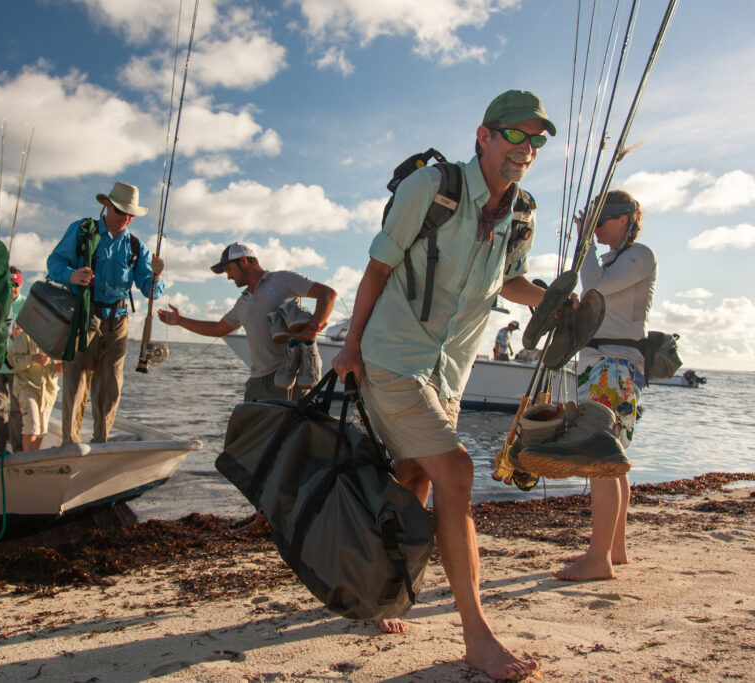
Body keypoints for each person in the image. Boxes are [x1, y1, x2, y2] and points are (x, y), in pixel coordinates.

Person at [332, 90, 555, 679]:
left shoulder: (523, 212)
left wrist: (552, 300)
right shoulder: (431, 187)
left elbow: (510, 283)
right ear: (484, 136)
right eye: (515, 135)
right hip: (392, 357)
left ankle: (386, 590)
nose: (525, 149)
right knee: (456, 470)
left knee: (413, 479)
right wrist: (350, 347)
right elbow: (378, 266)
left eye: (535, 141)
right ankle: (477, 637)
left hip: (451, 369)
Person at [554, 189, 656, 582]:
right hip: (603, 364)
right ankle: (614, 549)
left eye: (601, 221)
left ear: (625, 220)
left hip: (613, 366)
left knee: (599, 460)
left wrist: (583, 245)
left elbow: (596, 286)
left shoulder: (639, 255)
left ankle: (598, 561)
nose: (594, 228)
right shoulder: (614, 260)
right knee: (612, 462)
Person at [47, 181, 164, 444]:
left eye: (130, 214)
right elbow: (54, 263)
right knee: (75, 383)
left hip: (118, 322)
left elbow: (150, 291)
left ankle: (101, 442)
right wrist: (71, 275)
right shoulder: (81, 231)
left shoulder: (136, 247)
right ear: (106, 206)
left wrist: (157, 275)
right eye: (121, 211)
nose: (126, 218)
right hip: (82, 316)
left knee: (111, 386)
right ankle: (70, 443)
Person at [157, 243, 337, 401]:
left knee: (288, 438)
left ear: (243, 261)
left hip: (289, 379)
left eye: (229, 270)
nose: (228, 277)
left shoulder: (282, 279)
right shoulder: (242, 303)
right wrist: (180, 321)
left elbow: (328, 294)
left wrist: (313, 327)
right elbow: (218, 329)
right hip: (257, 383)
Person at [0, 267, 26, 455]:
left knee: (17, 411)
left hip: (17, 368)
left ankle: (18, 449)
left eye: (16, 284)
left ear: (21, 284)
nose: (13, 288)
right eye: (10, 284)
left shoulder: (27, 306)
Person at [7, 324, 62, 451]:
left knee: (42, 430)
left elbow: (63, 364)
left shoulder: (59, 338)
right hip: (26, 386)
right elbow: (11, 360)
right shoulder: (26, 335)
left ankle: (32, 463)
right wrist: (32, 359)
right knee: (32, 425)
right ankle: (27, 466)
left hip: (48, 390)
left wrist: (61, 368)